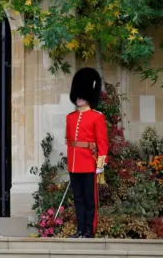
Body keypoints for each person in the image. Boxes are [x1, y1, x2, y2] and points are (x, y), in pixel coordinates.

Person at [66, 67, 108, 238]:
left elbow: (102, 143)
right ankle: (80, 229)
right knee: (78, 199)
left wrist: (100, 165)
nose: (78, 99)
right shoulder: (70, 117)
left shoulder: (97, 117)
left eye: (81, 96)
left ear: (88, 97)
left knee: (90, 200)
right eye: (77, 96)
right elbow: (69, 141)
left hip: (89, 163)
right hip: (74, 164)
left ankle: (89, 230)